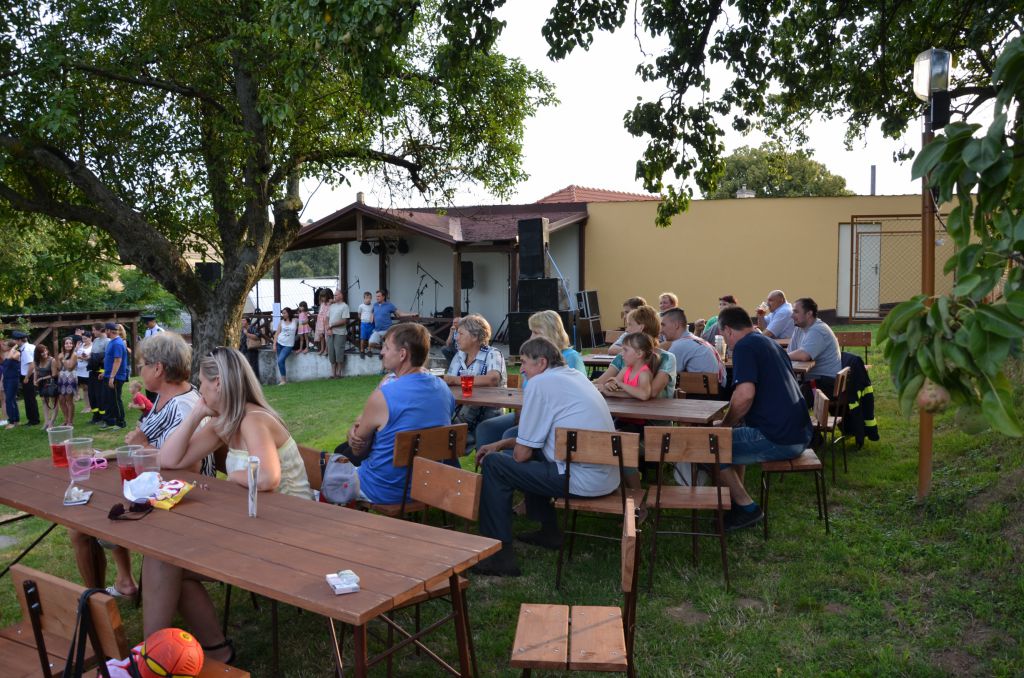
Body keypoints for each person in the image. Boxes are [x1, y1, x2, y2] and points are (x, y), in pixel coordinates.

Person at [144, 347, 311, 660]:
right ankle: (188, 652)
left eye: (202, 384)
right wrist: (196, 414)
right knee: (163, 555)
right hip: (256, 523)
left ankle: (153, 656)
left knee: (166, 559)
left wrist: (232, 476)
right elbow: (169, 460)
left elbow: (268, 478)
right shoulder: (227, 420)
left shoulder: (253, 420)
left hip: (291, 535)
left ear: (218, 383)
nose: (200, 390)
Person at [473, 337, 618, 577]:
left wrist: (500, 451)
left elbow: (521, 455)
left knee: (495, 465)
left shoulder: (540, 384)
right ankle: (549, 532)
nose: (521, 369)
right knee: (527, 454)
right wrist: (500, 443)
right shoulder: (574, 376)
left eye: (524, 362)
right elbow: (536, 442)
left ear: (541, 362)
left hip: (580, 479)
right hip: (606, 476)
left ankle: (498, 557)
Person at [716, 305, 813, 530]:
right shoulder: (769, 343)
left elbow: (744, 395)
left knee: (709, 445)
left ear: (728, 330)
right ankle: (736, 502)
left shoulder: (744, 347)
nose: (726, 341)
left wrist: (725, 424)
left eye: (723, 336)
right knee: (729, 441)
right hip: (799, 433)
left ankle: (747, 508)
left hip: (778, 437)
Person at [339, 323, 455, 503]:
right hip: (426, 486)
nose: (381, 352)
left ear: (402, 354)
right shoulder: (444, 389)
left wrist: (351, 434)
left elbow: (357, 449)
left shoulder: (384, 396)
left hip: (382, 490)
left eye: (386, 347)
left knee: (325, 473)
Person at [475, 310, 586, 450]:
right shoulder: (532, 359)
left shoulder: (570, 357)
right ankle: (487, 463)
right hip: (528, 412)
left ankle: (514, 463)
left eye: (536, 332)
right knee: (486, 428)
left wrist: (526, 420)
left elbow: (571, 397)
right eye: (531, 332)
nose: (531, 337)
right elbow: (524, 392)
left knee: (511, 434)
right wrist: (521, 415)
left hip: (553, 419)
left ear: (551, 333)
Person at [443, 314, 507, 448]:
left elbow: (492, 379)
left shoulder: (492, 353)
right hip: (461, 411)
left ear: (475, 336)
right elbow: (449, 383)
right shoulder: (459, 355)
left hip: (487, 413)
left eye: (460, 333)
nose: (456, 337)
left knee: (443, 433)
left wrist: (456, 380)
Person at [594, 305, 676, 399]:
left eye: (630, 324)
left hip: (658, 408)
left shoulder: (666, 358)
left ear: (641, 328)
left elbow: (652, 393)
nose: (627, 329)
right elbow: (601, 382)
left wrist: (616, 391)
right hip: (628, 407)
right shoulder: (623, 356)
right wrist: (608, 386)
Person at [788, 297, 843, 403]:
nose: (792, 316)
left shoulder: (818, 330)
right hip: (810, 379)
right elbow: (791, 353)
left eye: (796, 312)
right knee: (780, 389)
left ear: (809, 314)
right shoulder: (799, 328)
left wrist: (780, 355)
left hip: (825, 383)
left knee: (788, 400)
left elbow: (804, 355)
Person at [660, 307, 726, 387]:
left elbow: (663, 378)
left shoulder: (679, 345)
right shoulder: (696, 340)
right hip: (719, 389)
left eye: (663, 325)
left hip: (705, 393)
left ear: (676, 325)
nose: (661, 330)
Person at [101, 322, 129, 430]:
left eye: (105, 330)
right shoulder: (112, 342)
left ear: (109, 331)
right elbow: (110, 360)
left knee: (116, 400)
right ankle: (111, 421)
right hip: (110, 375)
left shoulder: (117, 343)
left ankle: (121, 422)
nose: (105, 332)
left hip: (116, 377)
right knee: (110, 400)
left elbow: (118, 361)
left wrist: (112, 377)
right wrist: (105, 373)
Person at [12, 330, 40, 427]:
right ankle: (33, 418)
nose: (14, 342)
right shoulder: (30, 346)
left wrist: (27, 378)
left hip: (28, 375)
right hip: (29, 375)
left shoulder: (26, 349)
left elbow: (31, 364)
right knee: (30, 398)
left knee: (29, 399)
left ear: (19, 340)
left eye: (15, 340)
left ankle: (33, 420)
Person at [31, 343, 58, 429]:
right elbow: (36, 371)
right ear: (38, 354)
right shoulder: (36, 361)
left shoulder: (52, 360)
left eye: (45, 350)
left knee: (54, 402)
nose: (45, 353)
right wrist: (34, 380)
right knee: (44, 402)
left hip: (51, 383)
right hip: (41, 384)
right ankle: (46, 422)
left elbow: (54, 374)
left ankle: (52, 422)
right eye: (42, 352)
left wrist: (41, 379)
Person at [88, 323, 109, 424]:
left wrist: (104, 370)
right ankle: (96, 416)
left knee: (101, 395)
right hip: (93, 371)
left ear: (100, 330)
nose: (92, 332)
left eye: (94, 330)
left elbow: (107, 358)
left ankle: (104, 417)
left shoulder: (108, 342)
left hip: (101, 372)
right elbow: (93, 355)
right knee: (92, 395)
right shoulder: (95, 340)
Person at [326, 289, 350, 378]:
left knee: (339, 352)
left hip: (340, 333)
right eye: (334, 295)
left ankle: (339, 373)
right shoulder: (332, 306)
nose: (334, 297)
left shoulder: (345, 306)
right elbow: (327, 318)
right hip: (330, 333)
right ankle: (333, 373)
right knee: (331, 352)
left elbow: (344, 320)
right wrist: (328, 329)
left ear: (341, 296)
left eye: (336, 295)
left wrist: (331, 325)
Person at [56, 336, 79, 426]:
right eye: (66, 343)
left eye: (70, 343)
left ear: (73, 345)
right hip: (62, 378)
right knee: (61, 400)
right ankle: (66, 419)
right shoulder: (61, 354)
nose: (68, 345)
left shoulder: (74, 354)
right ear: (63, 345)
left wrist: (63, 359)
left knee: (69, 400)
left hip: (70, 378)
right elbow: (58, 367)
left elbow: (69, 367)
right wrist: (59, 359)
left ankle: (70, 421)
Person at [273, 307, 297, 385]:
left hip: (288, 345)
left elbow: (304, 320)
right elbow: (277, 334)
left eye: (284, 313)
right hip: (279, 343)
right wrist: (274, 345)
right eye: (282, 313)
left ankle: (283, 380)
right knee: (281, 362)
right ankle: (283, 380)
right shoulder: (281, 322)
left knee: (280, 361)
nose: (283, 314)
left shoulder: (295, 321)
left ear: (289, 313)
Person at [2, 340, 21, 429]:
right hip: (6, 379)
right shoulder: (6, 353)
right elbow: (5, 368)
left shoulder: (17, 353)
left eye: (5, 345)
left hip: (13, 379)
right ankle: (16, 420)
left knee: (9, 400)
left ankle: (12, 422)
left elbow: (9, 359)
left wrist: (13, 348)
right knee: (11, 399)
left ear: (10, 346)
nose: (3, 346)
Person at [75, 331, 92, 412]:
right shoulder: (81, 345)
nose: (84, 340)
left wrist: (82, 357)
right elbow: (74, 354)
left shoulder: (92, 346)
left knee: (89, 389)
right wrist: (76, 349)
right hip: (79, 371)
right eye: (83, 339)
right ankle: (87, 406)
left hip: (87, 370)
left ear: (90, 338)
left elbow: (91, 358)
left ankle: (90, 406)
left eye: (85, 339)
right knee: (84, 388)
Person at [315, 290, 332, 356]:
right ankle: (322, 349)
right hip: (320, 322)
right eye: (321, 297)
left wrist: (331, 301)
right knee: (321, 336)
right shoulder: (321, 303)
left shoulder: (330, 303)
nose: (322, 298)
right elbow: (320, 313)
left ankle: (326, 349)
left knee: (326, 337)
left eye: (324, 296)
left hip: (327, 321)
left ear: (327, 296)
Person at [357, 291, 374, 356]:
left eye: (370, 298)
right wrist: (362, 319)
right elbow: (359, 314)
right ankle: (362, 350)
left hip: (371, 324)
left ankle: (369, 350)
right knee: (363, 337)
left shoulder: (372, 306)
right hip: (364, 324)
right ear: (364, 298)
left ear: (371, 298)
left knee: (371, 338)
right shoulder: (361, 306)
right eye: (367, 298)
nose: (368, 299)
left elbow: (373, 314)